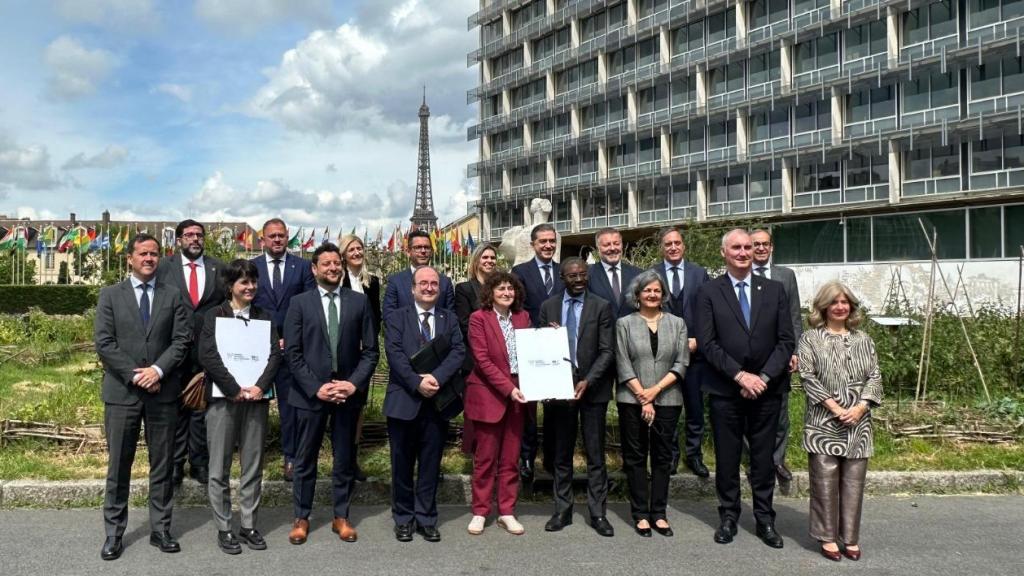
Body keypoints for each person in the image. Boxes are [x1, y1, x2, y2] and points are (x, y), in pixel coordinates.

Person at [696, 229, 795, 549]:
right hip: (726, 390)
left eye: (748, 247)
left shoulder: (775, 290)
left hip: (767, 389)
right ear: (724, 253)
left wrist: (762, 378)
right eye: (736, 247)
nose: (743, 252)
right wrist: (740, 376)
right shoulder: (709, 292)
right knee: (727, 458)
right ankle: (728, 516)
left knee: (764, 459)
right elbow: (708, 343)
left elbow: (786, 341)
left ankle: (765, 519)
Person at [95, 233, 191, 561]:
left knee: (162, 464)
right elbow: (104, 343)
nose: (149, 259)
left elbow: (181, 340)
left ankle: (161, 529)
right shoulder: (110, 295)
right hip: (122, 393)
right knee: (119, 465)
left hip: (162, 393)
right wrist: (138, 375)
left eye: (154, 254)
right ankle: (113, 533)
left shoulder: (172, 295)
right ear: (130, 259)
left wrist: (158, 371)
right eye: (143, 253)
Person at [283, 243, 379, 545]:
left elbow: (371, 351)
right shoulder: (299, 303)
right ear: (314, 269)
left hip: (346, 394)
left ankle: (341, 516)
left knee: (344, 458)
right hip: (310, 395)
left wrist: (352, 384)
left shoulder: (359, 302)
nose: (333, 268)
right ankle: (301, 517)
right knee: (305, 459)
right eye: (326, 263)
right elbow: (293, 353)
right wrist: (317, 388)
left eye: (337, 263)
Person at [198, 259, 281, 555]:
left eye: (253, 281)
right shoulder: (214, 316)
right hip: (224, 400)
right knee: (218, 467)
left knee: (253, 465)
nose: (250, 287)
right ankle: (224, 527)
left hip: (256, 400)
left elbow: (274, 355)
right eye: (244, 282)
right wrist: (233, 388)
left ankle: (248, 524)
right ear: (230, 285)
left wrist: (259, 386)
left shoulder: (264, 317)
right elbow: (208, 355)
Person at [799, 281, 882, 562]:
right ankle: (827, 537)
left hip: (858, 423)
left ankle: (850, 537)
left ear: (851, 306)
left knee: (853, 484)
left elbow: (875, 376)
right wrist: (835, 408)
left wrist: (860, 408)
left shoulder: (864, 339)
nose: (840, 307)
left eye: (844, 302)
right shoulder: (810, 338)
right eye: (834, 302)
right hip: (823, 422)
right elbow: (807, 376)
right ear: (823, 307)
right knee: (824, 483)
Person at [383, 266, 466, 543]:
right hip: (404, 401)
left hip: (437, 403)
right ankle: (403, 518)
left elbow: (458, 351)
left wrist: (436, 378)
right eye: (423, 283)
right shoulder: (397, 317)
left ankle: (427, 518)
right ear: (413, 288)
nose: (429, 288)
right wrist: (416, 382)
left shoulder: (448, 318)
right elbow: (394, 353)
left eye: (434, 284)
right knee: (401, 465)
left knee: (430, 465)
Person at [538, 258, 615, 537]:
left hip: (592, 388)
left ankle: (598, 513)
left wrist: (588, 380)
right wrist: (548, 337)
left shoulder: (601, 306)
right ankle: (562, 510)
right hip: (559, 389)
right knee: (562, 453)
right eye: (573, 275)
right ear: (562, 278)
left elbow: (607, 351)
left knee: (595, 454)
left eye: (583, 274)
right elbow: (541, 348)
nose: (579, 279)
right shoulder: (548, 307)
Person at [614, 270, 688, 538]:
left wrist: (654, 391)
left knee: (662, 456)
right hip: (631, 399)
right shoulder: (624, 324)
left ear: (663, 294)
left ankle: (659, 513)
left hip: (668, 398)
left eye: (657, 290)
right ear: (637, 295)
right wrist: (642, 395)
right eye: (647, 290)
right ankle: (640, 515)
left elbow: (682, 362)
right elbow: (622, 362)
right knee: (635, 457)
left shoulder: (678, 323)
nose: (652, 294)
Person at [155, 219, 225, 486]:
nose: (195, 239)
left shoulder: (219, 267)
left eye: (199, 235)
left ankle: (199, 463)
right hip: (172, 349)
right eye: (189, 235)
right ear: (179, 240)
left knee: (201, 409)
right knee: (175, 408)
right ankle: (175, 464)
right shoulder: (164, 267)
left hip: (206, 350)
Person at [463, 271, 530, 536]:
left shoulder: (523, 318)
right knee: (485, 459)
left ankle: (506, 512)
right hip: (489, 394)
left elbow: (533, 351)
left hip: (519, 394)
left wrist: (552, 337)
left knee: (511, 459)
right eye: (500, 288)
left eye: (510, 288)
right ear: (490, 293)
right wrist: (508, 388)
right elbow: (482, 360)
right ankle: (480, 511)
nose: (506, 292)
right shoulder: (478, 318)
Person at [250, 218, 316, 482]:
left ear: (288, 237)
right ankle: (251, 457)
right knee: (254, 405)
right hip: (258, 348)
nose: (277, 239)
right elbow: (245, 303)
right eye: (272, 236)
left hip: (291, 348)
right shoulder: (251, 267)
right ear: (262, 240)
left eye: (281, 235)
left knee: (290, 407)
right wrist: (265, 338)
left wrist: (291, 338)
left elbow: (309, 306)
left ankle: (291, 457)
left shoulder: (302, 267)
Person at [649, 226, 711, 478]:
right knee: (667, 408)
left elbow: (708, 311)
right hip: (663, 354)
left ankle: (694, 455)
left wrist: (699, 340)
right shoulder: (652, 274)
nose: (673, 247)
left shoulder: (699, 273)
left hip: (695, 354)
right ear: (662, 248)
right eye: (668, 244)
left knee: (695, 408)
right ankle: (671, 455)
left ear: (683, 245)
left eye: (677, 243)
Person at [750, 228, 803, 484]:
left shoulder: (786, 276)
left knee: (780, 411)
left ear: (771, 248)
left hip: (780, 353)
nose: (760, 248)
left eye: (765, 244)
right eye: (756, 244)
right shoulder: (742, 274)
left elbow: (795, 315)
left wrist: (795, 351)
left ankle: (777, 460)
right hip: (750, 355)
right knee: (750, 411)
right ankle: (755, 462)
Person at [510, 223, 562, 483]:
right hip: (531, 344)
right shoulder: (520, 272)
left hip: (558, 346)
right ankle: (527, 458)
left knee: (555, 405)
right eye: (543, 241)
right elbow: (516, 308)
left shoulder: (564, 271)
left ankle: (552, 458)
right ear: (533, 244)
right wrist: (538, 330)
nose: (548, 245)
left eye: (552, 241)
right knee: (529, 407)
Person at [339, 233, 382, 482]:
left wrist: (369, 343)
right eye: (351, 249)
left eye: (359, 248)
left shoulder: (371, 282)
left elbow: (376, 317)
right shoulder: (338, 279)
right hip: (341, 351)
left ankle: (352, 458)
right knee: (341, 405)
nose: (356, 252)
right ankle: (341, 456)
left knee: (358, 406)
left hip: (363, 353)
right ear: (343, 254)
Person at [454, 243, 498, 456]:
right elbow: (464, 324)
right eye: (485, 257)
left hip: (500, 359)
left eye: (492, 258)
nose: (489, 261)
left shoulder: (501, 287)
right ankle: (476, 455)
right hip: (474, 359)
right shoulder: (464, 289)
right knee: (476, 409)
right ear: (476, 260)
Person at [383, 229, 455, 321]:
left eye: (427, 247)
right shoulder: (396, 282)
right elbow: (389, 317)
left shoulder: (445, 282)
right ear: (408, 252)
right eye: (418, 247)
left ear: (431, 251)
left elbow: (451, 317)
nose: (423, 251)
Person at [587, 228, 641, 319]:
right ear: (598, 248)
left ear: (622, 245)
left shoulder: (638, 274)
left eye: (616, 244)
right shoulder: (588, 275)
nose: (612, 248)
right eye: (606, 245)